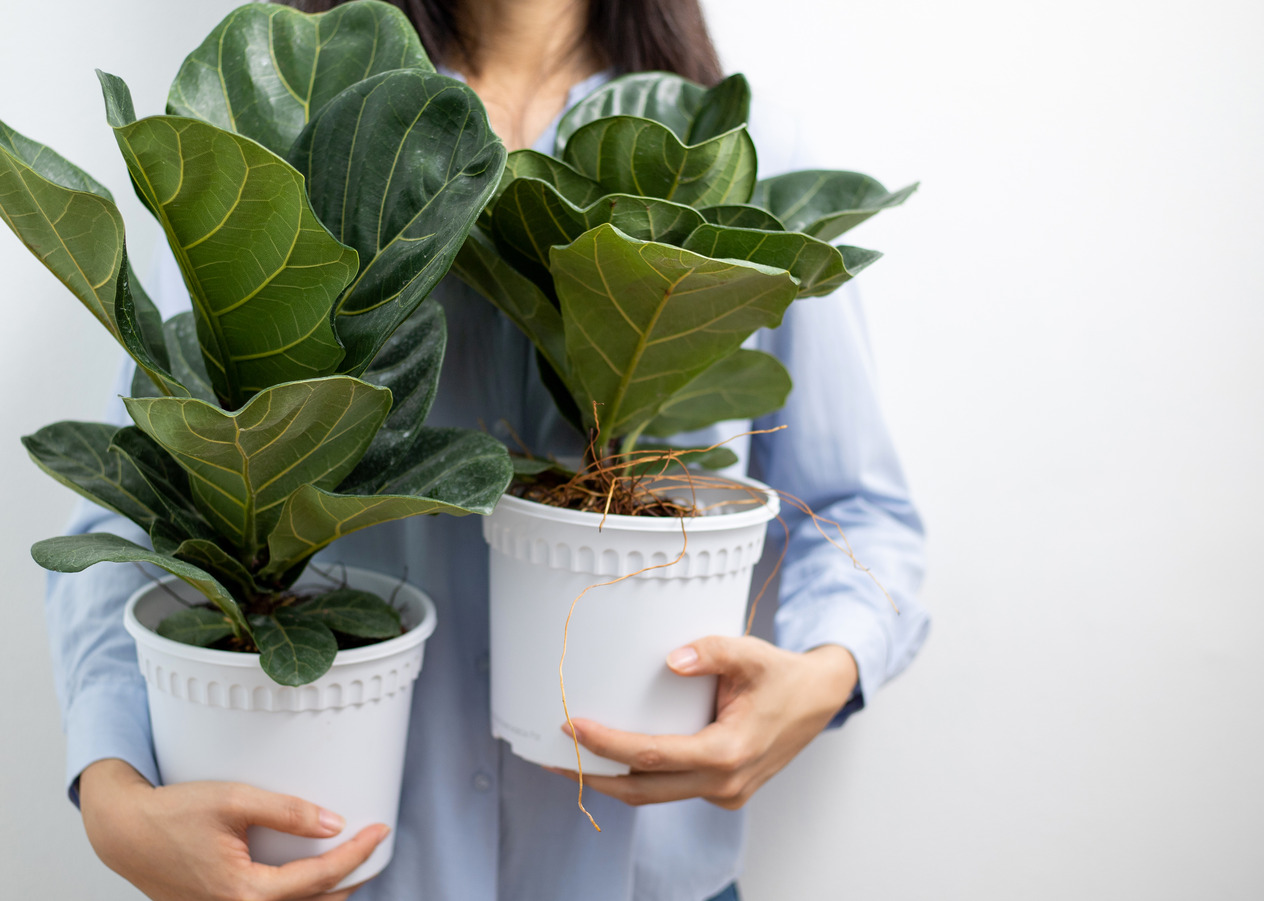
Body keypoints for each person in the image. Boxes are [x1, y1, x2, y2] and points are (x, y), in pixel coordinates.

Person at [47, 1, 931, 899]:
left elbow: (862, 511)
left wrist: (825, 671)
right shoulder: (280, 128)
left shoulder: (738, 148)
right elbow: (145, 502)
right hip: (333, 865)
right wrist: (112, 794)